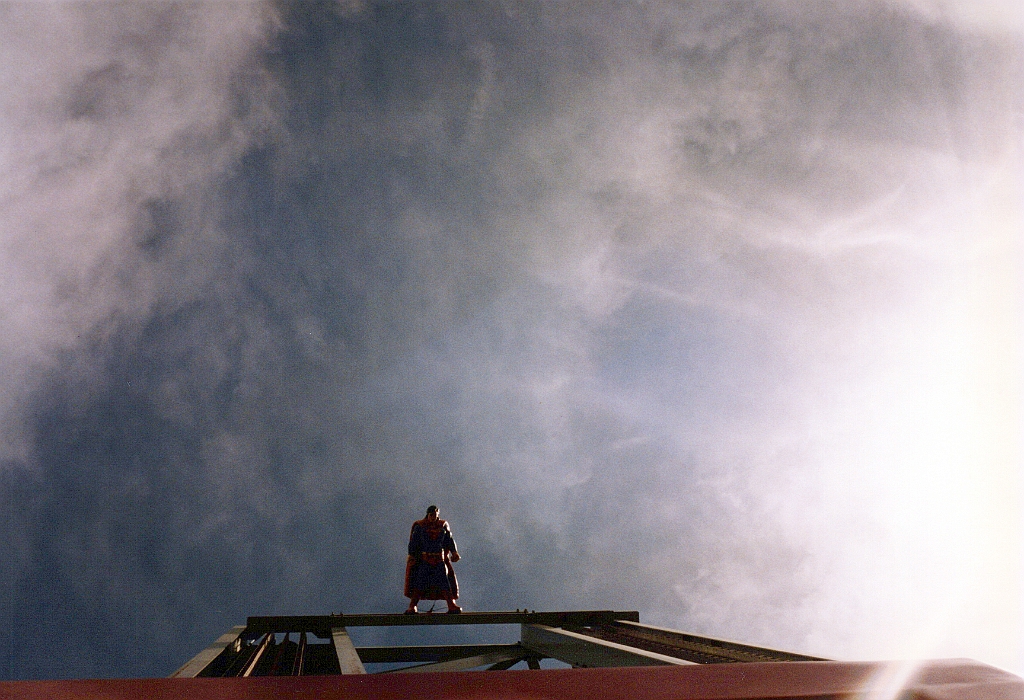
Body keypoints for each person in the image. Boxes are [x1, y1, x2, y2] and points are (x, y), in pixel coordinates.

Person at [404, 505, 461, 614]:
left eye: (435, 515)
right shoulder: (420, 526)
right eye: (431, 515)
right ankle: (412, 606)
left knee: (444, 582)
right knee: (420, 582)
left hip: (439, 559)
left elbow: (449, 539)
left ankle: (451, 605)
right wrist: (411, 555)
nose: (433, 517)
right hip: (425, 560)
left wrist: (454, 552)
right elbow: (414, 541)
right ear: (428, 514)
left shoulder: (442, 525)